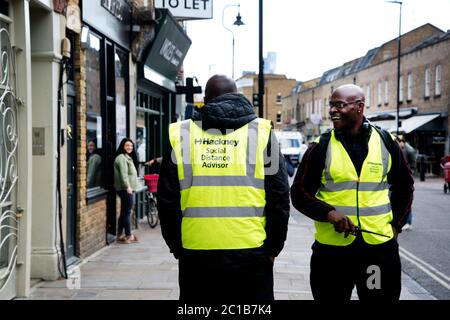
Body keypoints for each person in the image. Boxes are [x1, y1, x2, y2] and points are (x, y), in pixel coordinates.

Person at [157, 74, 290, 301]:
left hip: (196, 252)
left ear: (205, 100)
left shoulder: (181, 134)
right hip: (251, 251)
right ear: (237, 96)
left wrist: (177, 247)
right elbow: (279, 196)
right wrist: (273, 249)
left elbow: (166, 200)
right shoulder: (262, 133)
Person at [291, 84, 414, 301]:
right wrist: (329, 213)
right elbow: (299, 193)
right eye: (331, 106)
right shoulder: (320, 147)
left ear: (359, 107)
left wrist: (396, 225)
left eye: (339, 105)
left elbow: (405, 186)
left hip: (377, 253)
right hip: (333, 253)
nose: (332, 111)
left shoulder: (386, 142)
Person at [114, 138, 140, 244]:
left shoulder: (128, 158)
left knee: (124, 211)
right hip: (126, 189)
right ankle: (129, 235)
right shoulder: (121, 158)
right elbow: (123, 174)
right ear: (123, 146)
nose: (129, 147)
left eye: (131, 146)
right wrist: (127, 187)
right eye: (127, 145)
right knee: (127, 212)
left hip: (129, 188)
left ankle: (120, 234)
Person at [396, 135, 416, 230]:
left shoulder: (406, 148)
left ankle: (408, 222)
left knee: (406, 199)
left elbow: (412, 156)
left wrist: (411, 169)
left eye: (399, 140)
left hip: (404, 176)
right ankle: (404, 222)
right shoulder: (402, 148)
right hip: (400, 176)